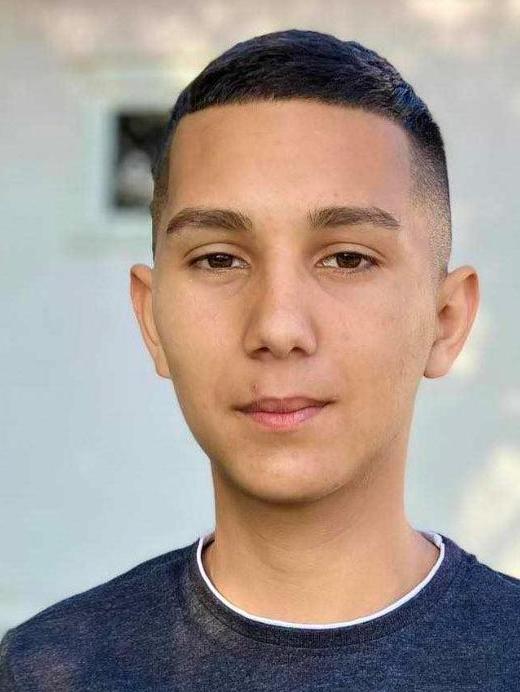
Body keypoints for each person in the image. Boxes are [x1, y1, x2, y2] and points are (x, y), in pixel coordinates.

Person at [1, 28, 518, 692]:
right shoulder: (47, 669)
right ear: (152, 319)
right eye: (219, 258)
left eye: (347, 258)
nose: (277, 327)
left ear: (445, 321)